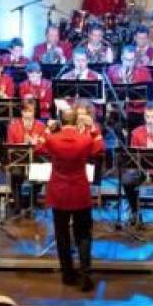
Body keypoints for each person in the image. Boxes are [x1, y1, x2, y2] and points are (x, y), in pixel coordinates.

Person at [35, 108, 104, 291]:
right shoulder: (85, 139)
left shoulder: (53, 139)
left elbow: (38, 148)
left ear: (60, 121)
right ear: (76, 121)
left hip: (59, 192)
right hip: (79, 191)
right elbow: (99, 148)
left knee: (62, 235)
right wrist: (93, 127)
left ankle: (67, 275)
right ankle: (86, 274)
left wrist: (47, 129)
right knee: (83, 235)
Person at [6, 100, 46, 215]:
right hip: (19, 159)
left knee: (40, 174)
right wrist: (24, 144)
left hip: (36, 159)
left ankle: (31, 203)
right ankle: (18, 205)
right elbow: (10, 146)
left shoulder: (41, 126)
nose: (28, 114)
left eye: (31, 111)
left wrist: (35, 145)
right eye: (25, 111)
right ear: (22, 112)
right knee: (16, 173)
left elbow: (44, 148)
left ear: (34, 112)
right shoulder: (13, 127)